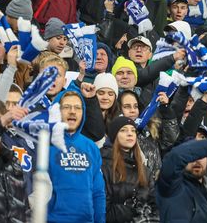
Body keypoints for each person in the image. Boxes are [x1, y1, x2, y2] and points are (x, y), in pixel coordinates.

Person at [48, 86, 106, 222]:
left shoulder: (91, 147)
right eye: (67, 107)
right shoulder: (44, 144)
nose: (72, 112)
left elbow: (98, 193)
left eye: (78, 108)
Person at [156, 136, 207, 222]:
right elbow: (174, 158)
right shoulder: (171, 185)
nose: (197, 161)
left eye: (202, 156)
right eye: (192, 157)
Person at [101, 116, 157, 222]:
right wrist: (135, 211)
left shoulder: (145, 171)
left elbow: (154, 204)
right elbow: (103, 209)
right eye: (123, 130)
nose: (130, 134)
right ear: (114, 135)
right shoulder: (102, 165)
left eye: (133, 130)